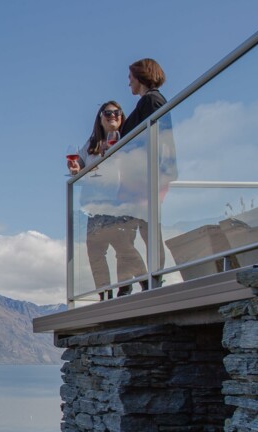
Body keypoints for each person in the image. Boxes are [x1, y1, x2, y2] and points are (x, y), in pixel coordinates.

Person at [68, 101, 147, 300]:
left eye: (116, 112)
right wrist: (77, 171)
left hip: (120, 202)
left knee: (123, 245)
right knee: (95, 251)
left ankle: (145, 282)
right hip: (95, 206)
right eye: (107, 113)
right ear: (100, 117)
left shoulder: (130, 138)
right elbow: (83, 170)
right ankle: (105, 294)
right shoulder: (91, 145)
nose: (112, 115)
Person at [119, 58, 177, 289]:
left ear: (141, 77)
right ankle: (147, 281)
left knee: (142, 231)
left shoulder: (152, 101)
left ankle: (151, 281)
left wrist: (162, 176)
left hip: (145, 179)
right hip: (142, 178)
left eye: (130, 78)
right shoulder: (147, 102)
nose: (128, 83)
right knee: (137, 231)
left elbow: (164, 141)